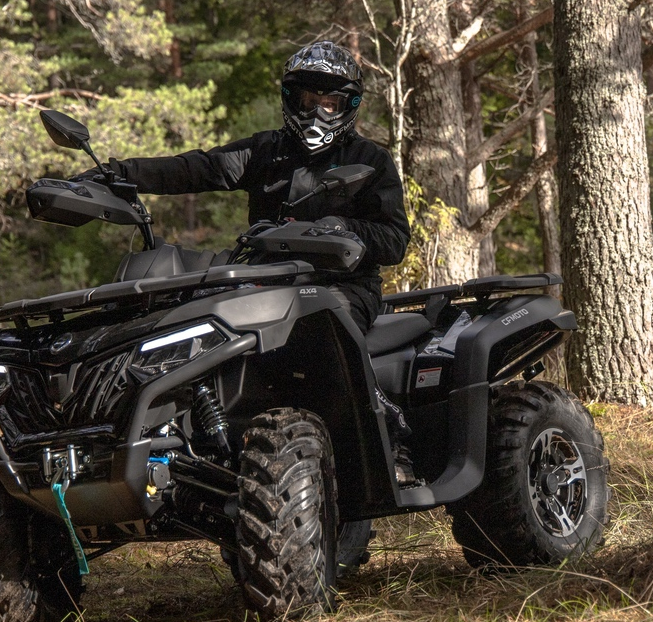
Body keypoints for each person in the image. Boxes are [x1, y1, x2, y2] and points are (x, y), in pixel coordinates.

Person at [81, 41, 421, 484]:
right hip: (261, 282)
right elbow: (196, 167)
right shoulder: (267, 151)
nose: (318, 113)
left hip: (340, 286)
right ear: (291, 99)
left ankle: (391, 440)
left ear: (347, 107)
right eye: (309, 100)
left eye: (330, 103)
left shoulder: (369, 161)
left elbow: (395, 241)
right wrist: (117, 175)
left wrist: (342, 228)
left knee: (328, 329)